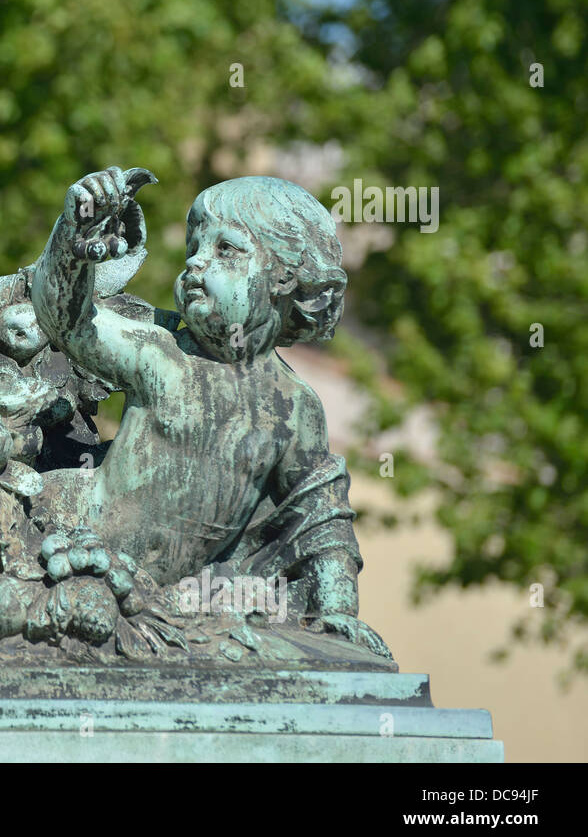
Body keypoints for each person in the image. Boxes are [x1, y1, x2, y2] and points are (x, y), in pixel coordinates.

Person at [31, 170, 390, 656]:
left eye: (225, 249)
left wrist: (337, 613)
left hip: (159, 600)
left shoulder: (295, 408)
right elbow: (66, 321)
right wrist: (72, 237)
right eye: (193, 247)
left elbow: (320, 521)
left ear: (284, 275)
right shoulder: (160, 355)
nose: (196, 262)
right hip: (64, 543)